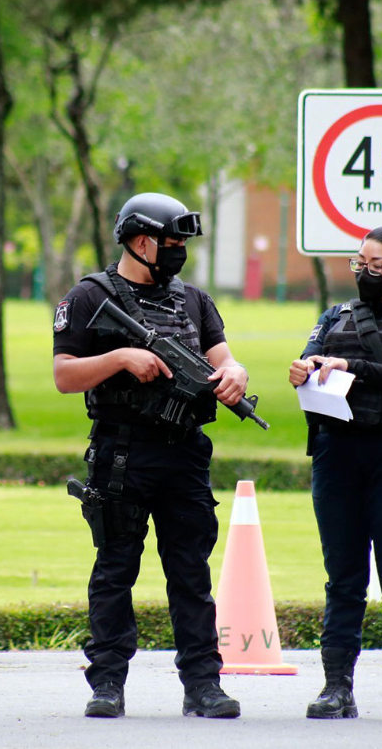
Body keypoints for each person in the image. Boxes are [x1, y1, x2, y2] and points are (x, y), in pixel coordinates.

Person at [52, 192, 248, 720]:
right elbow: (64, 375)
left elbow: (223, 359)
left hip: (184, 454)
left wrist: (235, 375)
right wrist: (120, 357)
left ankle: (203, 685)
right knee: (115, 568)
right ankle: (108, 683)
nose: (179, 252)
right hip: (122, 452)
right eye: (172, 243)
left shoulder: (194, 300)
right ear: (141, 241)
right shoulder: (91, 297)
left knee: (190, 570)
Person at [287, 224, 382, 725]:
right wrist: (303, 371)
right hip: (337, 458)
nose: (364, 273)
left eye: (376, 266)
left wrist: (350, 365)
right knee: (344, 579)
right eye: (359, 263)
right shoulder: (334, 316)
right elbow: (311, 360)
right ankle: (337, 688)